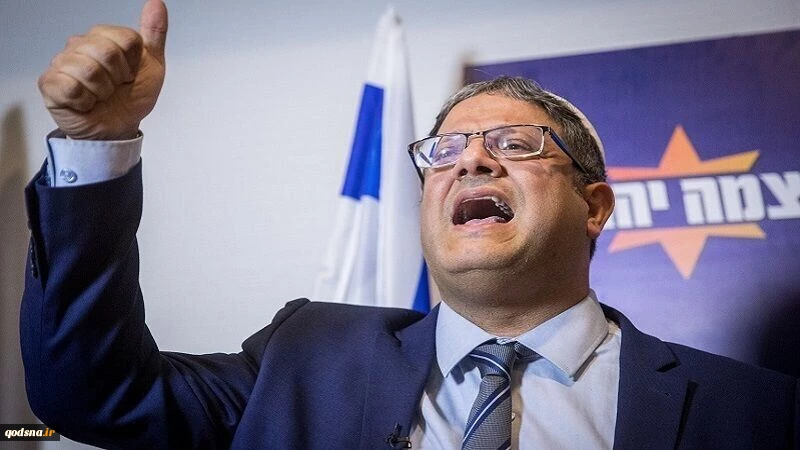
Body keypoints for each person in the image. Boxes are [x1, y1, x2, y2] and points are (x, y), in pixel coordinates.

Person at [21, 1, 797, 449]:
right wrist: (96, 146)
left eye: (515, 144)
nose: (472, 161)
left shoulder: (758, 413)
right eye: (445, 151)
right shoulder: (305, 357)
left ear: (593, 207)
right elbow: (92, 393)